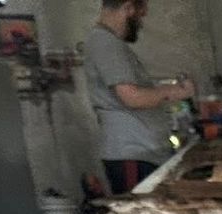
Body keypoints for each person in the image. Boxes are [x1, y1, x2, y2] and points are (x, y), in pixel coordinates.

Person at [83, 0, 194, 195]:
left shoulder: (108, 42)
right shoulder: (105, 43)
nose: (141, 23)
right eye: (140, 15)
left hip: (141, 153)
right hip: (133, 154)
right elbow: (132, 97)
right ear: (128, 8)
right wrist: (174, 91)